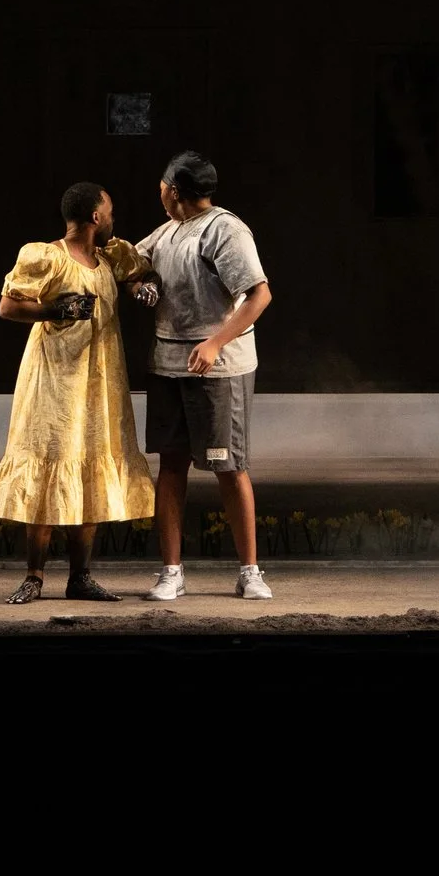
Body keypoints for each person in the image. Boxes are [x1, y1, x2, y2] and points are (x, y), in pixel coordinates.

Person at [0, 181, 156, 604]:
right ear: (96, 217)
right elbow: (8, 306)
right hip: (54, 382)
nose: (113, 219)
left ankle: (80, 576)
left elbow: (138, 275)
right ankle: (34, 575)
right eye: (110, 212)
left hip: (98, 383)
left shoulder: (109, 257)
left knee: (89, 467)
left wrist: (142, 288)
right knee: (49, 465)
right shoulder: (47, 256)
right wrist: (53, 309)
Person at [131, 151, 275, 601]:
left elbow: (259, 295)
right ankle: (171, 572)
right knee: (171, 465)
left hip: (219, 369)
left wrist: (215, 342)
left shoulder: (224, 229)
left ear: (173, 189)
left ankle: (250, 571)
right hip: (168, 365)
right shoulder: (168, 231)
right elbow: (130, 263)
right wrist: (139, 284)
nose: (159, 191)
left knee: (229, 467)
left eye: (162, 185)